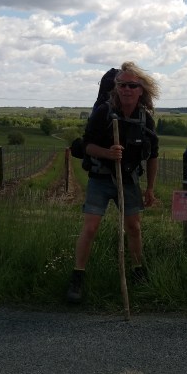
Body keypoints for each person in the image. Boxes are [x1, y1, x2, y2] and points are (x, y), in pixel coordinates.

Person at [67, 61, 160, 303]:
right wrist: (107, 153)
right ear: (116, 87)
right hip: (100, 178)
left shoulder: (145, 120)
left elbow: (153, 156)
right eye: (122, 85)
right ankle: (77, 278)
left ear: (140, 90)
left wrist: (150, 188)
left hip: (128, 180)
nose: (127, 89)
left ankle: (138, 271)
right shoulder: (104, 113)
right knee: (90, 228)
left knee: (134, 228)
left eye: (132, 85)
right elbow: (86, 146)